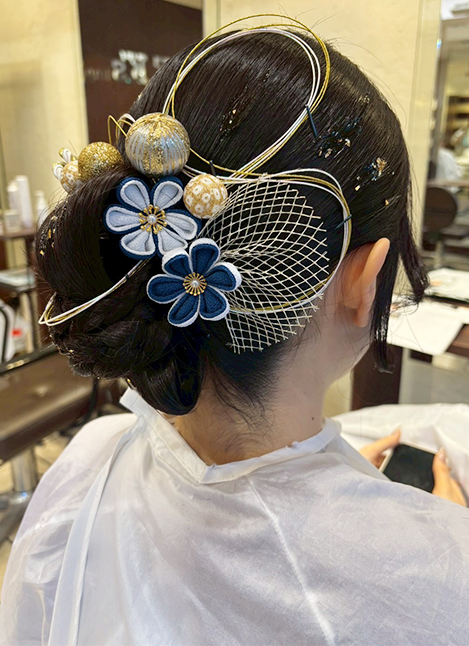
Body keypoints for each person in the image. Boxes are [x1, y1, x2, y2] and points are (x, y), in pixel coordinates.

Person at [1, 17, 469, 646]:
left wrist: (351, 499)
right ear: (365, 281)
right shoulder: (442, 585)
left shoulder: (87, 464)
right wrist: (428, 546)